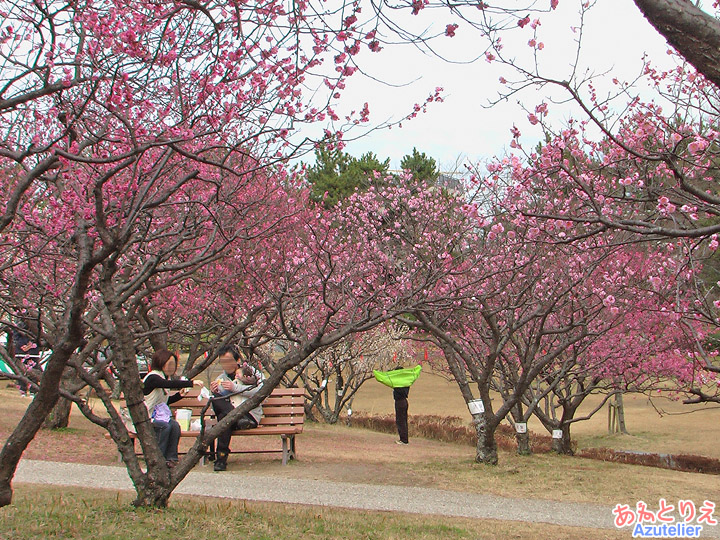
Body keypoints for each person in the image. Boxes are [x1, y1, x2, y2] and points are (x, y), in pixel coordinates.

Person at [142, 349, 203, 468]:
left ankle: (171, 459)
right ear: (160, 363)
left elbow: (164, 401)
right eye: (169, 364)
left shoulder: (164, 379)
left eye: (173, 364)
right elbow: (167, 384)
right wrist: (190, 383)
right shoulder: (153, 377)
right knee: (164, 426)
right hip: (146, 417)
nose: (172, 367)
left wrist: (179, 395)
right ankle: (158, 458)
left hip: (158, 416)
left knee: (174, 425)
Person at [210, 346, 265, 472]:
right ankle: (236, 419)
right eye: (223, 362)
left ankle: (221, 459)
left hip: (249, 416)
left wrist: (235, 388)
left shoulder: (251, 372)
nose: (226, 365)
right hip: (234, 420)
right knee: (217, 402)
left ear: (237, 360)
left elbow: (263, 392)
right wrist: (216, 391)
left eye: (229, 361)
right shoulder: (221, 378)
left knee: (224, 420)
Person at [393, 366, 410, 445]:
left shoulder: (399, 383)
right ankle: (404, 438)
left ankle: (403, 440)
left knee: (400, 420)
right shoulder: (406, 381)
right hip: (404, 402)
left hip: (400, 402)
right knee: (403, 420)